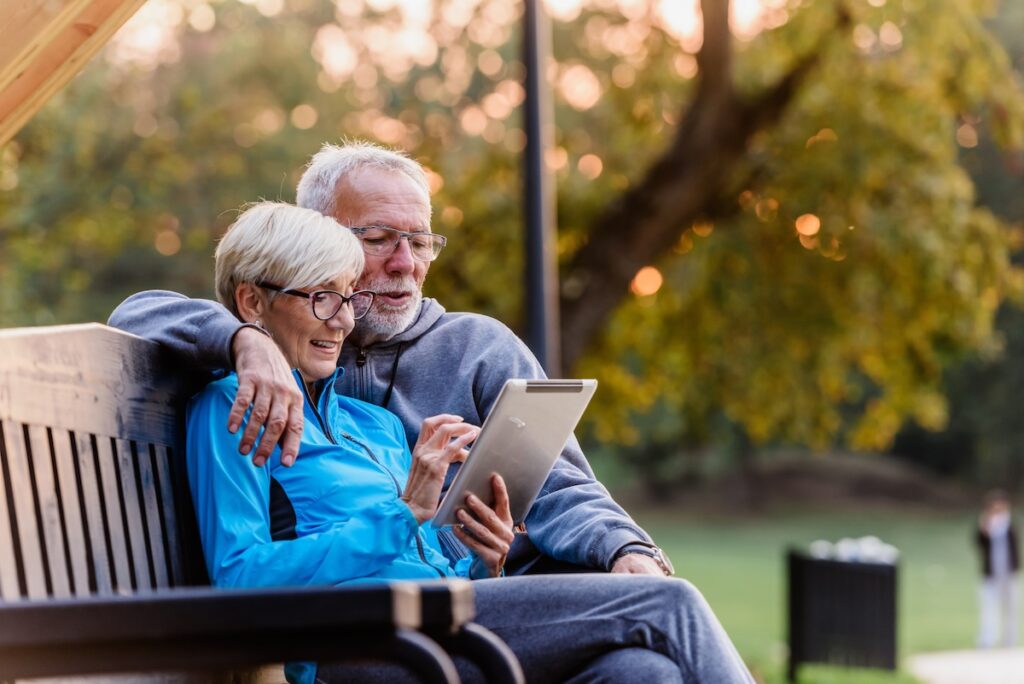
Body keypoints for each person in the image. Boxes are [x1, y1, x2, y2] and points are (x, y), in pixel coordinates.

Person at [189, 201, 755, 684]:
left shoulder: (372, 424)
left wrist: (482, 563)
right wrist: (403, 512)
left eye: (346, 299)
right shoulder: (230, 409)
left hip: (430, 626)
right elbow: (241, 578)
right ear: (252, 303)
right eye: (320, 299)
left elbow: (419, 558)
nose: (340, 322)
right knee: (666, 603)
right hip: (357, 648)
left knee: (638, 672)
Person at [110, 141, 666, 576]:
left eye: (420, 241)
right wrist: (244, 341)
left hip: (499, 591)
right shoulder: (284, 334)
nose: (405, 263)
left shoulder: (477, 348)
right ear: (322, 242)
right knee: (654, 631)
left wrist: (627, 551)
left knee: (645, 650)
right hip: (389, 631)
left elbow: (561, 485)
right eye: (379, 238)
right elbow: (139, 312)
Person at [975, 489, 1020, 648]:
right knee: (988, 607)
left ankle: (1010, 639)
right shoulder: (986, 524)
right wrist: (984, 529)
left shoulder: (1009, 524)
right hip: (991, 573)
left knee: (1010, 608)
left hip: (1008, 573)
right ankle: (987, 639)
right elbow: (978, 543)